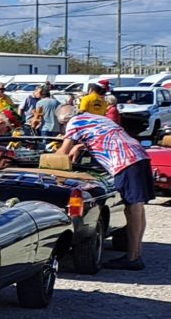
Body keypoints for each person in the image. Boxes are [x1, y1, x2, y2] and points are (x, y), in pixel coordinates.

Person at [60, 97, 152, 270]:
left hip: (125, 160)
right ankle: (136, 254)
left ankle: (132, 259)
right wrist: (81, 146)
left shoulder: (74, 121)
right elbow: (104, 135)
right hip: (139, 155)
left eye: (62, 126)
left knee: (132, 208)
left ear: (65, 120)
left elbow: (61, 153)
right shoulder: (95, 118)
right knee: (137, 207)